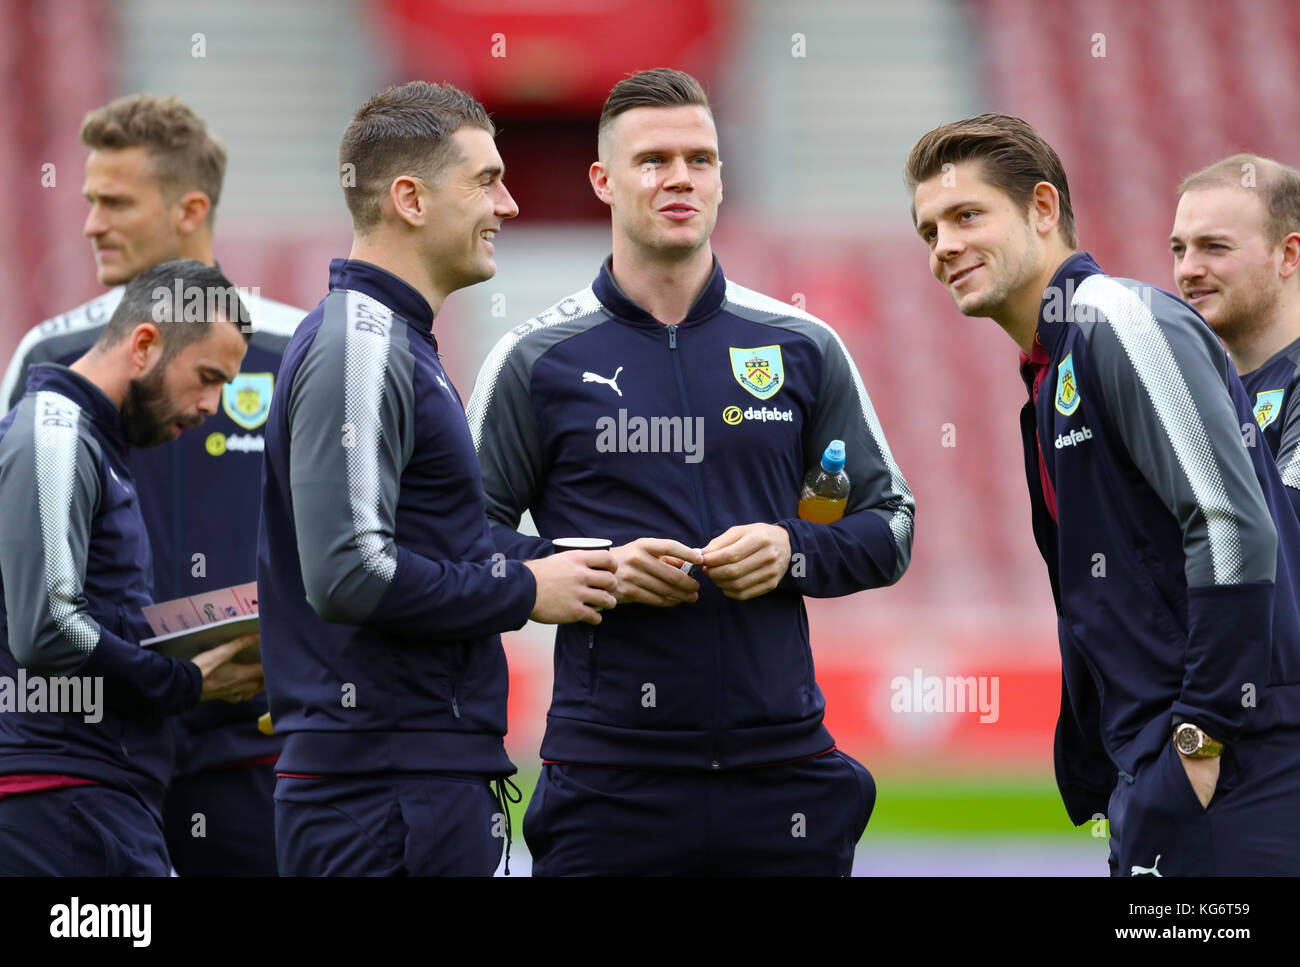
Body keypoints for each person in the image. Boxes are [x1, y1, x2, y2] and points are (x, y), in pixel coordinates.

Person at [467, 68, 911, 876]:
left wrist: (792, 550)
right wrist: (589, 572)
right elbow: (458, 543)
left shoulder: (802, 346)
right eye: (653, 159)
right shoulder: (537, 360)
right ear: (603, 180)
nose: (680, 177)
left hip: (784, 778)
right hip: (608, 783)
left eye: (700, 158)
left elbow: (890, 523)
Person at [906, 114, 1300, 875]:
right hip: (1167, 774)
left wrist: (1199, 738)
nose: (943, 246)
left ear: (1044, 209)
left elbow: (1230, 525)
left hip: (1233, 768)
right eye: (928, 231)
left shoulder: (1115, 318)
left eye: (965, 215)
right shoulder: (1050, 373)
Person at [258, 80, 618, 877]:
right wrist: (527, 592)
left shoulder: (394, 338)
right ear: (410, 199)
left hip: (408, 780)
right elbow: (349, 572)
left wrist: (573, 564)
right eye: (487, 181)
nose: (511, 205)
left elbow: (437, 541)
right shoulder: (361, 344)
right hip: (381, 791)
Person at [0, 93, 303, 875]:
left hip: (250, 750)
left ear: (188, 209)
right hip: (97, 746)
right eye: (88, 199)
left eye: (114, 200)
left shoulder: (297, 345)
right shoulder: (50, 357)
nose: (91, 222)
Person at [0, 259, 266, 875]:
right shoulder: (55, 432)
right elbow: (47, 629)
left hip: (95, 800)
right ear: (145, 344)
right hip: (59, 806)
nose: (213, 405)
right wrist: (187, 683)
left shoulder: (97, 444)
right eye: (207, 377)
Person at [1170, 154, 1300, 517]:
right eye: (1179, 249)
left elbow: (1283, 529)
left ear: (1288, 254)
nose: (1188, 270)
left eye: (1215, 247)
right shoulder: (1192, 386)